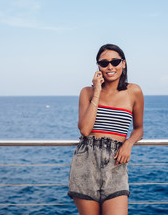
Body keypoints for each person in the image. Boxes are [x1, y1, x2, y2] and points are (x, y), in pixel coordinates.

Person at [68, 44, 144, 215]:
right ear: (98, 67)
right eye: (104, 63)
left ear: (123, 64)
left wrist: (128, 144)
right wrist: (97, 91)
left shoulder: (134, 91)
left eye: (115, 61)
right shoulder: (87, 92)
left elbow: (139, 128)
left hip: (115, 164)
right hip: (85, 163)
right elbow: (85, 130)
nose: (110, 66)